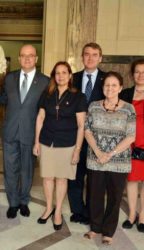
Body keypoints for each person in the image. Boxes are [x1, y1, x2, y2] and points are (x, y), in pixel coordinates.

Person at [33, 61, 87, 230]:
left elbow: (81, 125)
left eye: (64, 73)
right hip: (47, 140)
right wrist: (36, 142)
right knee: (47, 177)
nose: (61, 76)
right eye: (57, 73)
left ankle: (58, 212)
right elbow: (40, 118)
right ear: (53, 76)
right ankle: (49, 208)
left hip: (67, 143)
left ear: (70, 76)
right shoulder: (47, 94)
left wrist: (78, 149)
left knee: (62, 179)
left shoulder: (78, 96)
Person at [84, 71, 136, 245]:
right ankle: (95, 227)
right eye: (107, 85)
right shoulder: (93, 106)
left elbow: (131, 137)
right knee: (94, 195)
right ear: (103, 87)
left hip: (119, 162)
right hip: (96, 159)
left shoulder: (129, 108)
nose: (110, 88)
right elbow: (87, 130)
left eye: (114, 85)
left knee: (114, 198)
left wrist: (110, 154)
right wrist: (99, 153)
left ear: (120, 88)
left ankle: (108, 231)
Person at [0, 45, 49, 218]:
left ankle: (23, 201)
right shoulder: (10, 78)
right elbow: (2, 98)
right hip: (10, 131)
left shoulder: (45, 81)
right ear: (19, 58)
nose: (27, 59)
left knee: (27, 169)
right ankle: (13, 203)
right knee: (10, 169)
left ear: (36, 59)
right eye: (23, 56)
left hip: (31, 132)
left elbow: (46, 110)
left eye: (31, 56)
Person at [67, 42, 105, 225]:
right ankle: (77, 211)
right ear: (82, 57)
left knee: (95, 178)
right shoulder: (71, 79)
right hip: (74, 135)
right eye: (87, 54)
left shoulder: (108, 79)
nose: (90, 58)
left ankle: (92, 212)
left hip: (99, 138)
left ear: (100, 58)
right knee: (74, 175)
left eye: (94, 54)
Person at [120, 59, 144, 233]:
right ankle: (131, 215)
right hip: (130, 143)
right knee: (132, 179)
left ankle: (142, 215)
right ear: (132, 74)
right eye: (137, 72)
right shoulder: (126, 94)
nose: (141, 75)